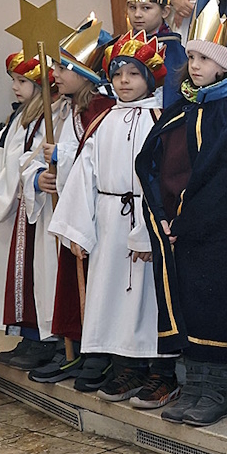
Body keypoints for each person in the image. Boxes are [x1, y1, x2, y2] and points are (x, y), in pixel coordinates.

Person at [135, 0, 227, 427]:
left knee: (217, 309)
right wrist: (165, 216)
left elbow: (225, 176)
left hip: (219, 231)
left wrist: (186, 221)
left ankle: (218, 392)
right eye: (191, 57)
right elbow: (153, 159)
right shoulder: (193, 103)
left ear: (224, 66)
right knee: (192, 306)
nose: (195, 65)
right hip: (186, 230)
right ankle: (197, 386)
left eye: (205, 58)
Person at [47, 31, 172, 406]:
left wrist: (148, 232)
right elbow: (86, 173)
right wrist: (78, 228)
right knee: (113, 296)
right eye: (117, 74)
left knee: (148, 299)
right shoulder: (104, 121)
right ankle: (127, 368)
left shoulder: (159, 120)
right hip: (107, 219)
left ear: (150, 78)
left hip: (143, 221)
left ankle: (161, 374)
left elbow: (164, 178)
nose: (123, 82)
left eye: (133, 74)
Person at [31, 17, 117, 386]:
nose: (56, 74)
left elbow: (93, 158)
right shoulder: (74, 108)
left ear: (87, 74)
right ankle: (76, 346)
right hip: (76, 207)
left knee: (94, 282)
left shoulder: (99, 109)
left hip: (97, 211)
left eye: (64, 67)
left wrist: (62, 155)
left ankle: (97, 352)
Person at [0, 48, 61, 368]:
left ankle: (46, 342)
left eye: (22, 80)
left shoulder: (49, 115)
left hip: (39, 208)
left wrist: (6, 186)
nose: (15, 87)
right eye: (13, 80)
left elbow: (30, 163)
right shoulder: (18, 118)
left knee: (40, 275)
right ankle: (28, 336)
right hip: (18, 206)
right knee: (22, 275)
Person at [127, 0, 189, 108]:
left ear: (165, 11)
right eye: (132, 7)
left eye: (146, 8)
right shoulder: (123, 45)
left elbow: (173, 96)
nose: (137, 14)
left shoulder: (173, 50)